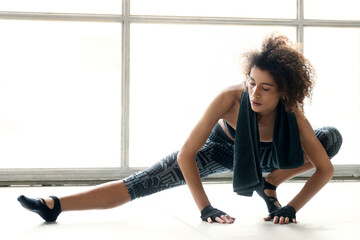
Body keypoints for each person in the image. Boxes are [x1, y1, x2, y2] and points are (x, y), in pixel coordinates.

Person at [18, 34, 342, 225]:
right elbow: (187, 154)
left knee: (329, 138)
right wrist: (205, 207)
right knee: (143, 182)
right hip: (218, 152)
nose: (255, 94)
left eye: (266, 89)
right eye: (252, 83)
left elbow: (324, 169)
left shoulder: (292, 112)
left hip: (272, 159)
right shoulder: (229, 100)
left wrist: (292, 207)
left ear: (284, 91)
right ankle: (55, 205)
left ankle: (270, 184)